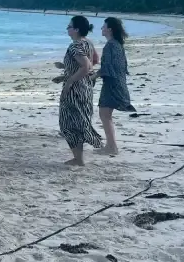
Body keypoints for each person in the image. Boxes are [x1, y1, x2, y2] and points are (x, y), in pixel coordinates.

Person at [55, 15, 103, 166]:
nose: (67, 29)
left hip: (76, 89)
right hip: (85, 86)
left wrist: (69, 82)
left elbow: (86, 66)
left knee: (68, 124)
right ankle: (78, 158)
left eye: (69, 26)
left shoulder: (75, 46)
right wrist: (66, 69)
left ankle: (79, 158)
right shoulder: (87, 43)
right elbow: (91, 62)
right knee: (78, 120)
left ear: (76, 29)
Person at [96, 17, 135, 155]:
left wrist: (94, 76)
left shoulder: (110, 45)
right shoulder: (118, 44)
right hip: (118, 82)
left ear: (110, 29)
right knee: (106, 115)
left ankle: (111, 147)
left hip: (112, 84)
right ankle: (111, 145)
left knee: (104, 114)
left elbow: (107, 67)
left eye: (103, 26)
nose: (101, 28)